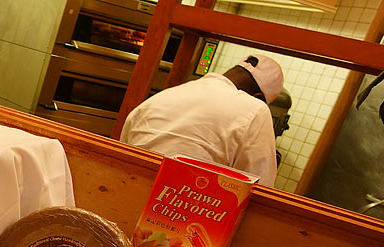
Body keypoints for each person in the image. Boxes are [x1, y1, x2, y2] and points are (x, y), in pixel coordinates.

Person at [120, 54, 284, 187]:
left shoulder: (163, 96)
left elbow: (122, 152)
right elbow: (260, 187)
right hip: (181, 213)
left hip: (125, 191)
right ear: (259, 97)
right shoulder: (256, 109)